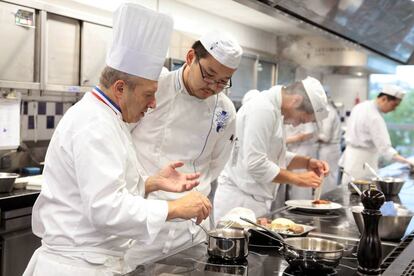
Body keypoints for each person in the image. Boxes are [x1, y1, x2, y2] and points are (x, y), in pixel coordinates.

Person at [23, 4, 211, 276]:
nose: (153, 103)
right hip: (78, 267)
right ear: (120, 88)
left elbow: (100, 191)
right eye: (149, 94)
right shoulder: (94, 124)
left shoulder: (109, 118)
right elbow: (105, 209)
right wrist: (174, 208)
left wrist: (150, 183)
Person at [125, 30, 242, 267]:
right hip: (144, 222)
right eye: (209, 75)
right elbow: (121, 139)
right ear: (190, 58)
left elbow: (217, 163)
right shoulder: (154, 87)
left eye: (223, 81)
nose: (213, 86)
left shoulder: (225, 111)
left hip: (191, 228)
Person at [214, 77, 330, 222]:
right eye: (301, 119)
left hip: (251, 200)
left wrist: (307, 163)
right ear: (296, 100)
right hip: (240, 203)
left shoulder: (274, 110)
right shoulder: (263, 109)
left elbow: (274, 157)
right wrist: (297, 178)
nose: (295, 125)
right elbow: (256, 164)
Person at [340, 85, 414, 182]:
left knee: (348, 189)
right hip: (363, 163)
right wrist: (408, 162)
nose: (394, 109)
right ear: (384, 99)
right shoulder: (374, 117)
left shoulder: (360, 106)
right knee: (361, 192)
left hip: (350, 159)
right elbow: (386, 149)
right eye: (394, 105)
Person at [317, 100, 342, 192]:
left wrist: (311, 136)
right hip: (330, 149)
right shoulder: (329, 110)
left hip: (328, 149)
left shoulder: (327, 112)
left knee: (327, 178)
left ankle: (326, 199)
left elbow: (325, 137)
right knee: (330, 176)